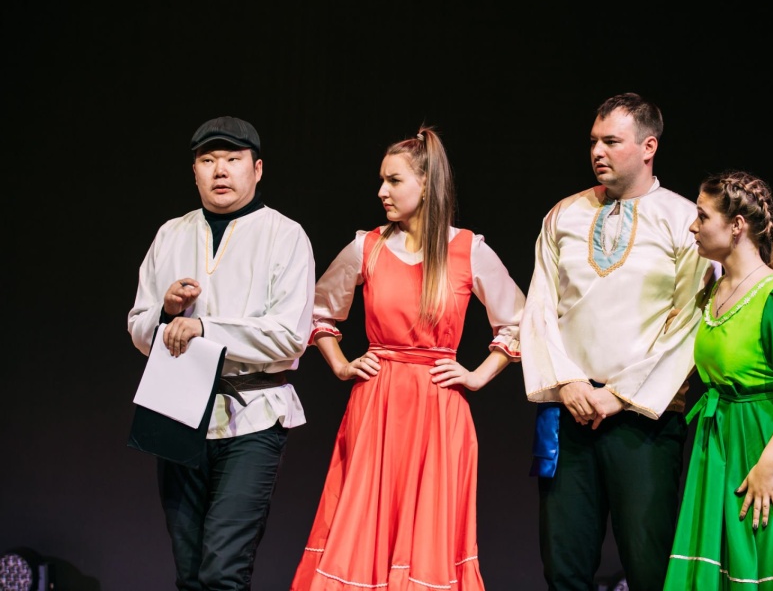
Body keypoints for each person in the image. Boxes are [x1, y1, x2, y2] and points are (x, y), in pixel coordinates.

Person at [289, 126, 525, 591]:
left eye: (394, 180)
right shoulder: (369, 246)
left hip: (438, 410)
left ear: (426, 184)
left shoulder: (468, 249)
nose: (382, 191)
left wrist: (479, 375)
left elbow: (519, 320)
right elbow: (318, 310)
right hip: (377, 407)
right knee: (364, 531)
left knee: (428, 539)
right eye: (381, 180)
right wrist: (340, 363)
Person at [520, 92, 716, 591]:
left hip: (644, 419)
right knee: (564, 566)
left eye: (611, 141)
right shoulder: (563, 215)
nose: (597, 152)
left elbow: (691, 321)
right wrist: (567, 382)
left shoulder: (684, 220)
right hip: (570, 411)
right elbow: (539, 307)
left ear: (649, 147)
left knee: (650, 564)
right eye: (593, 141)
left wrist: (619, 394)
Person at [127, 116, 316, 590]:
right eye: (208, 160)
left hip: (252, 413)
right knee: (190, 573)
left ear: (257, 168)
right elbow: (138, 328)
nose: (220, 171)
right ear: (194, 171)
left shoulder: (284, 235)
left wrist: (204, 328)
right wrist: (166, 313)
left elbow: (289, 336)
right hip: (178, 409)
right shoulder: (171, 234)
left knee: (223, 572)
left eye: (233, 159)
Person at [663, 170, 773, 590]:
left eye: (703, 216)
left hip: (765, 447)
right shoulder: (713, 291)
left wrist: (769, 466)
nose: (693, 226)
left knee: (764, 569)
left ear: (737, 226)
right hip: (721, 446)